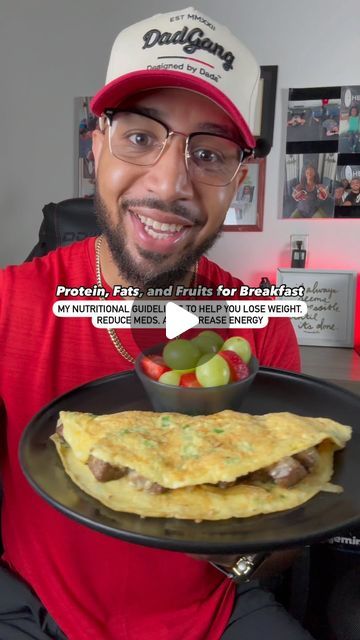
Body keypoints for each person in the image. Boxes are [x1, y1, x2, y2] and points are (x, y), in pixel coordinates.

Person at [0, 7, 315, 640]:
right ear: (95, 148)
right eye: (141, 137)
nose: (171, 183)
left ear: (237, 181)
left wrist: (248, 549)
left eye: (209, 154)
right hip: (34, 605)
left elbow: (288, 537)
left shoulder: (263, 330)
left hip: (212, 617)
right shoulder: (10, 305)